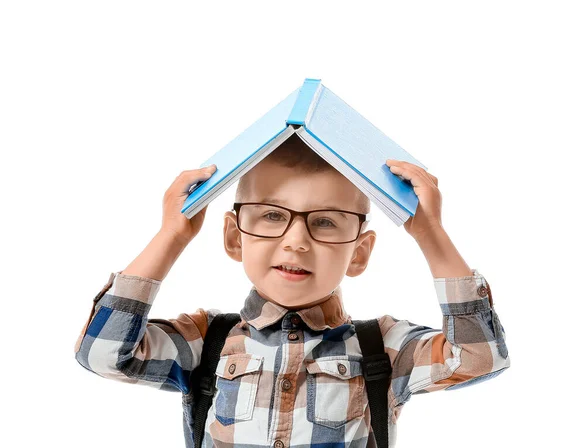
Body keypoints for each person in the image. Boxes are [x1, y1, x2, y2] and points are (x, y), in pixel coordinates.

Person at [74, 134, 510, 448]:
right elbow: (104, 354)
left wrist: (430, 234)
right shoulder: (205, 340)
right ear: (233, 236)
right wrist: (171, 235)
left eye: (324, 221)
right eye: (270, 216)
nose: (295, 241)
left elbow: (480, 357)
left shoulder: (383, 348)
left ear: (359, 253)